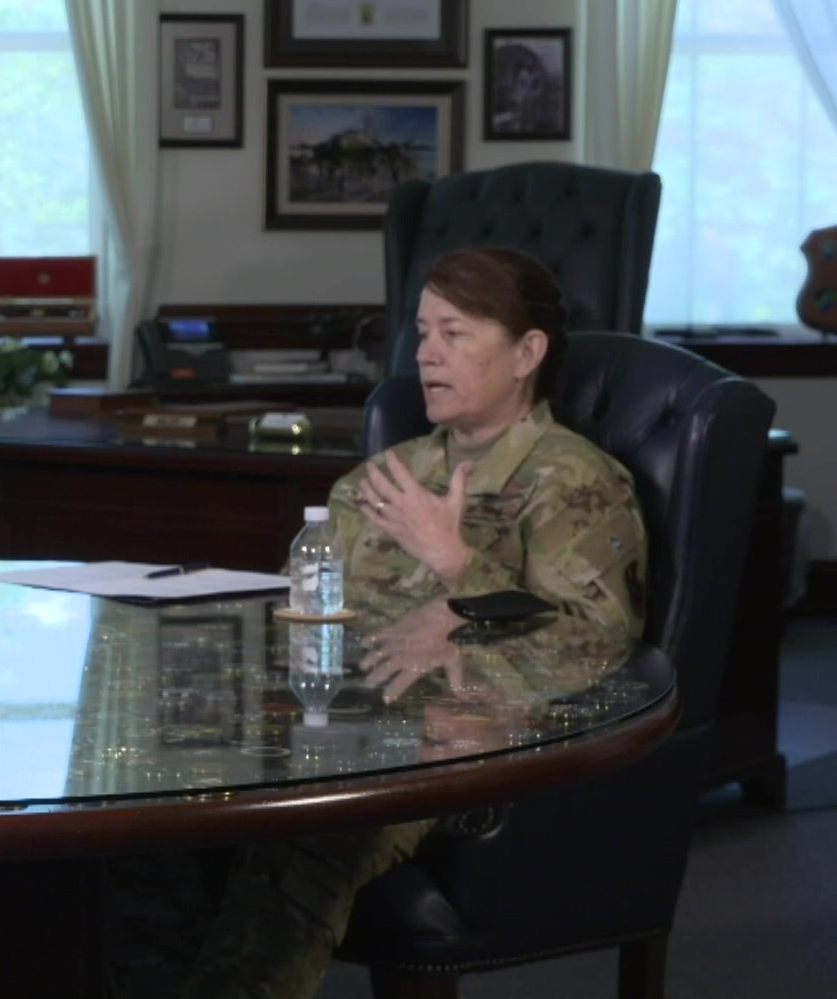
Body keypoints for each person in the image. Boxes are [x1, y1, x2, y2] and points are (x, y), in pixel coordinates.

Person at [106, 245, 648, 998]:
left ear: (527, 351)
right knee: (143, 806)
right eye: (421, 333)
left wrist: (460, 565)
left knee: (301, 833)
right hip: (328, 723)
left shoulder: (572, 480)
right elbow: (308, 617)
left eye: (455, 334)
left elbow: (602, 644)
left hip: (465, 747)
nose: (426, 354)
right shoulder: (380, 480)